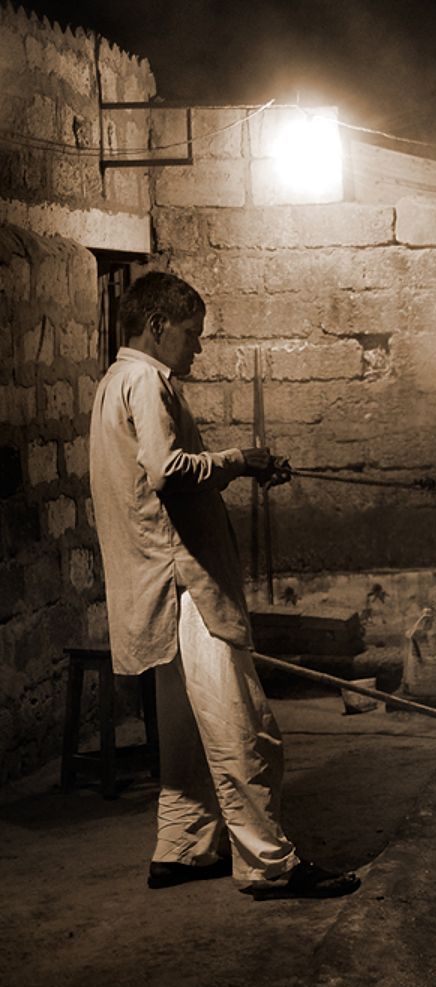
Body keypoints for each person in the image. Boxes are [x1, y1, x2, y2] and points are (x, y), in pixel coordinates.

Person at [89, 271, 359, 899]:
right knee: (245, 728)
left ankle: (183, 849)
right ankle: (270, 864)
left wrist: (240, 468)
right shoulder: (147, 381)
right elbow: (167, 470)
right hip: (186, 588)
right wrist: (240, 460)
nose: (198, 347)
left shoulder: (112, 383)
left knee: (185, 735)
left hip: (155, 587)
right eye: (192, 334)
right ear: (157, 326)